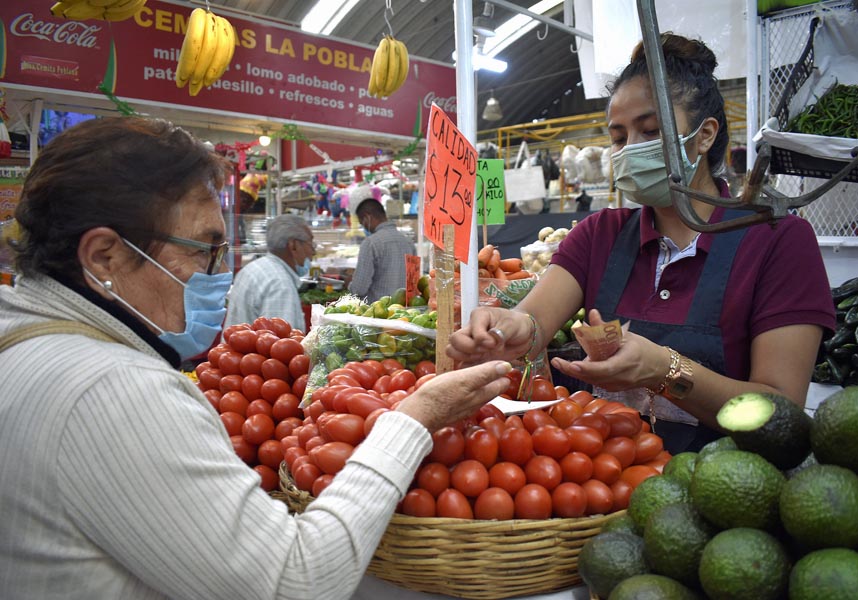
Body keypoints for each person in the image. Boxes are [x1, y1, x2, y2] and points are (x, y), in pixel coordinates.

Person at [0, 117, 513, 599]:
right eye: (202, 248)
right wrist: (412, 420)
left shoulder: (24, 341)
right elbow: (295, 580)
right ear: (104, 257)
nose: (215, 275)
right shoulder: (113, 391)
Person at [448, 34, 836, 454]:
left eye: (650, 131)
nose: (631, 149)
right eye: (618, 137)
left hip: (722, 494)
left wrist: (665, 370)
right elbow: (534, 322)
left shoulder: (778, 241)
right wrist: (509, 329)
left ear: (704, 136)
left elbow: (782, 414)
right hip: (604, 491)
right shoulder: (599, 234)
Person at [225, 213, 314, 332]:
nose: (313, 252)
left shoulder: (253, 268)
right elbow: (278, 345)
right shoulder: (280, 285)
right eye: (310, 244)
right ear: (293, 245)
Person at [348, 198, 416, 301]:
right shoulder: (409, 243)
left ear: (367, 217)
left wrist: (349, 284)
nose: (365, 228)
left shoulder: (371, 243)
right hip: (405, 313)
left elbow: (359, 289)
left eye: (363, 223)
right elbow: (413, 284)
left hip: (376, 313)